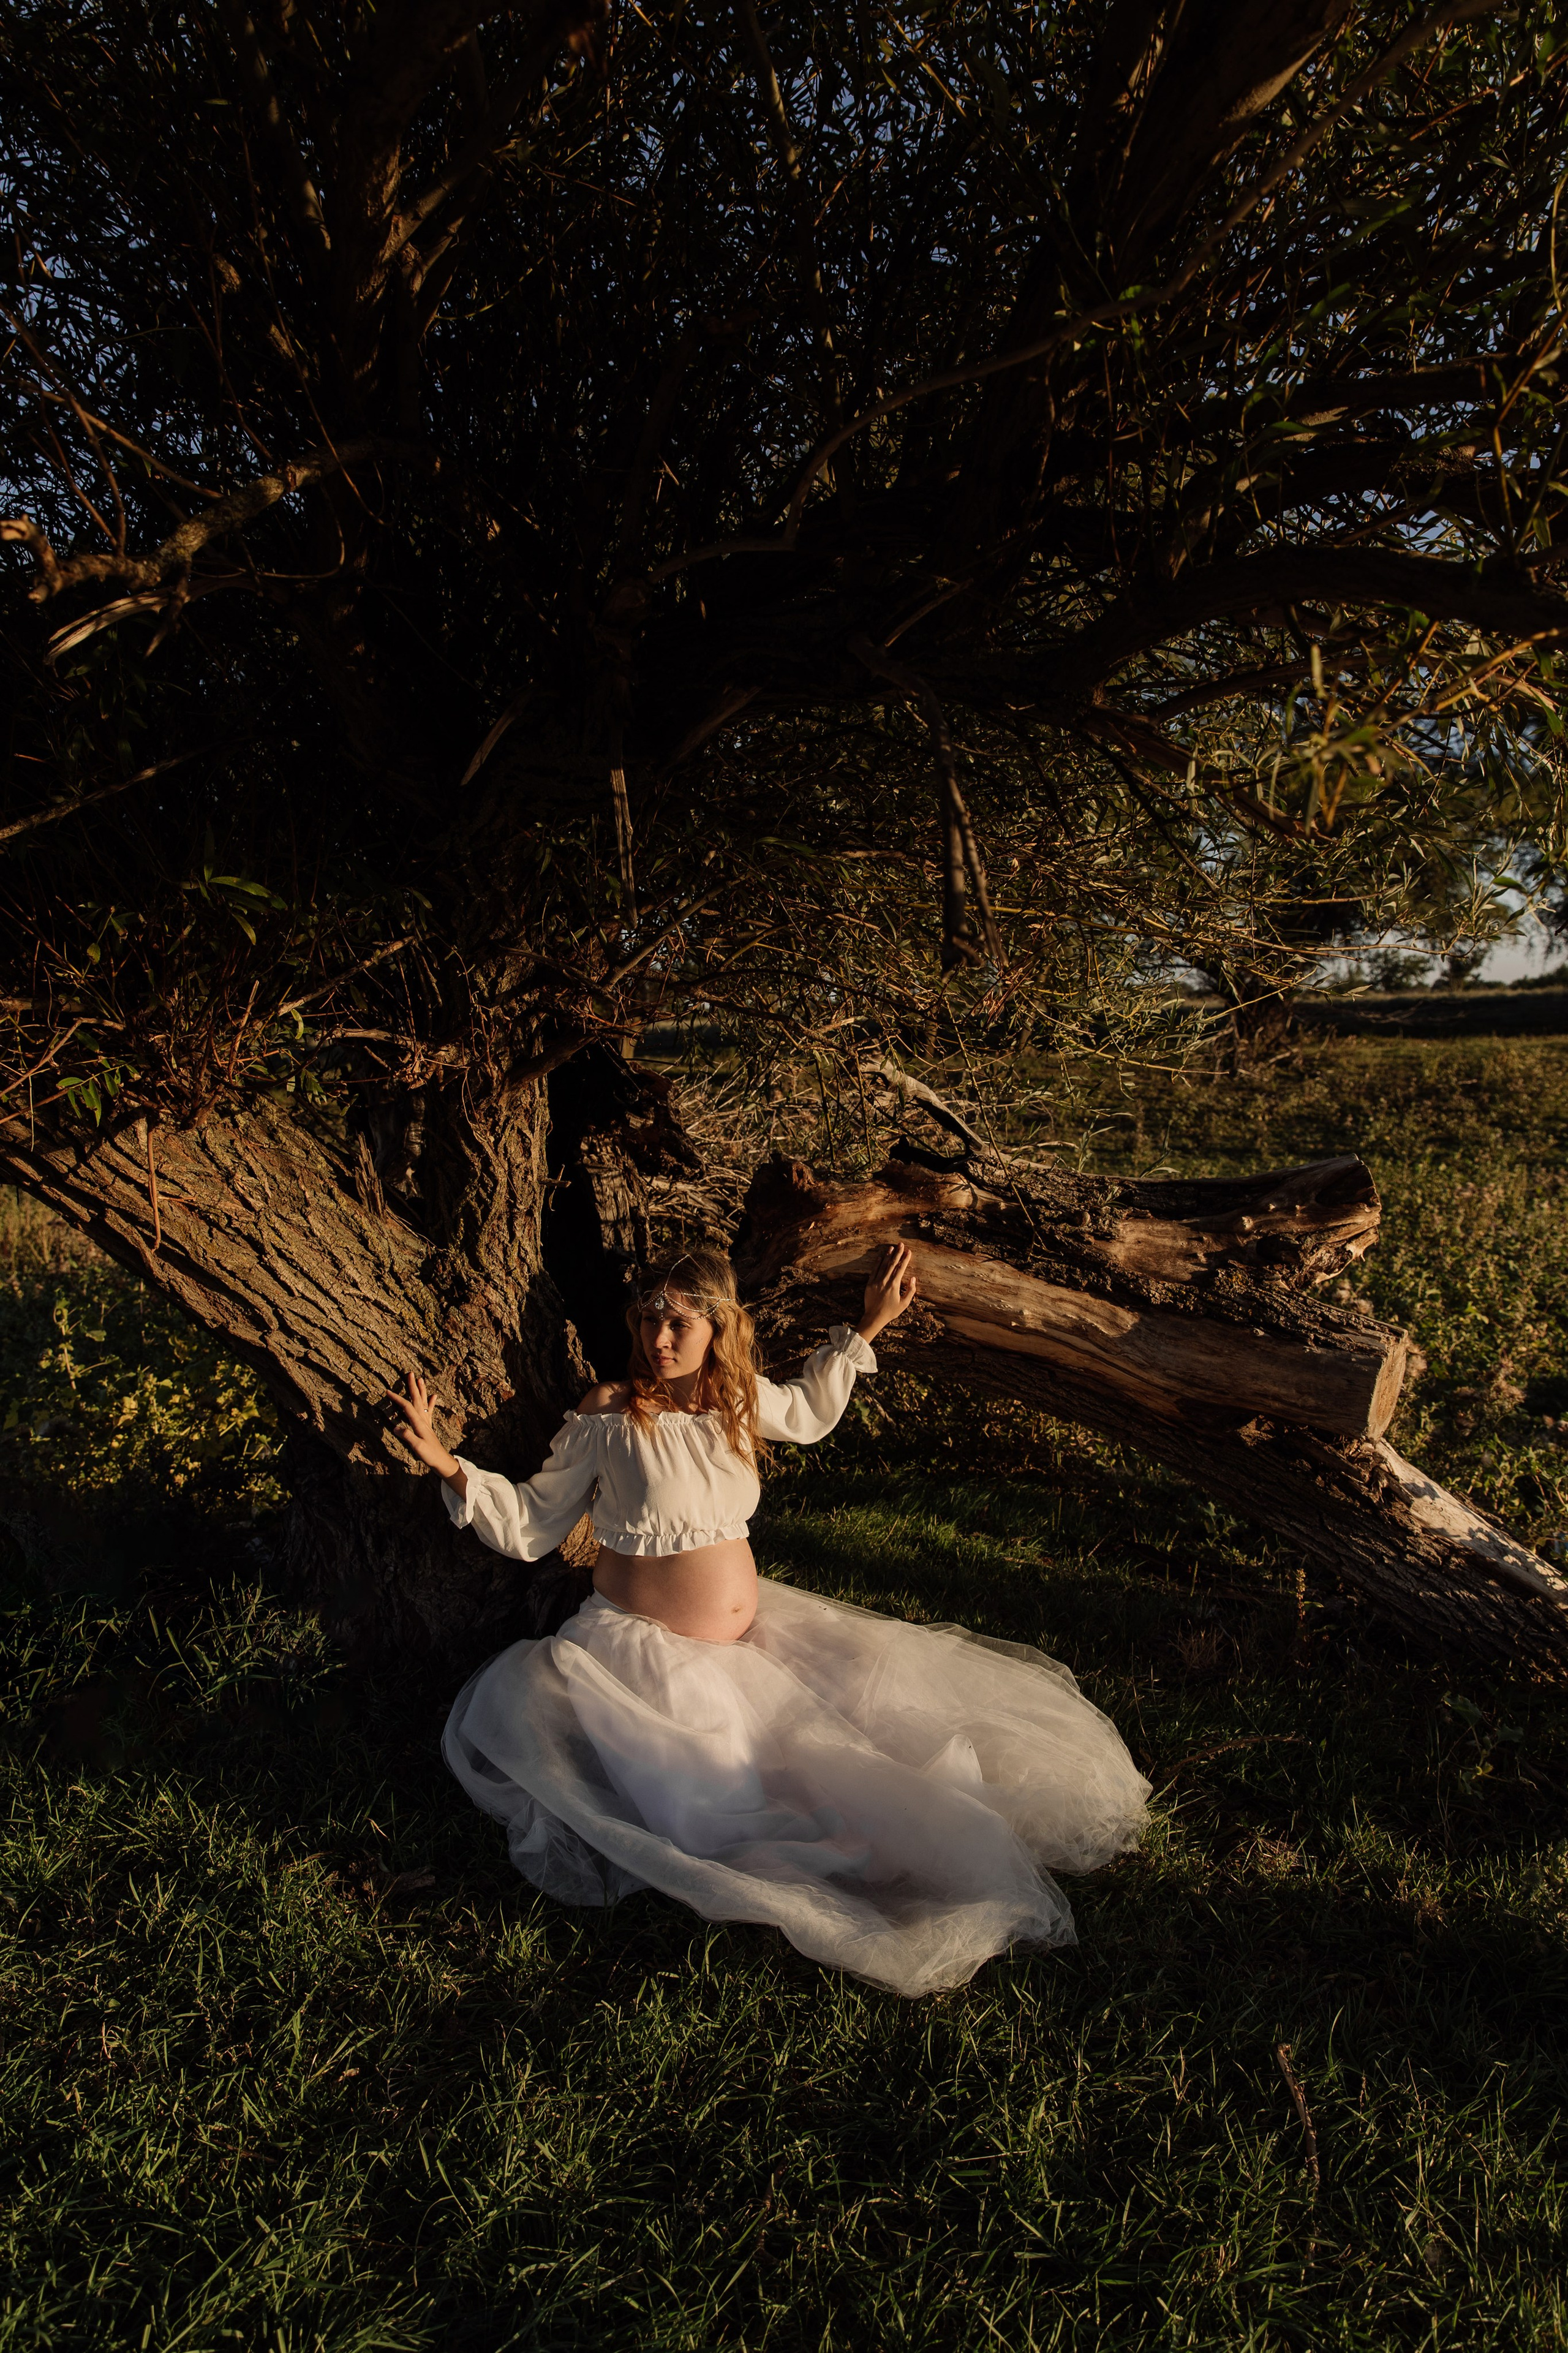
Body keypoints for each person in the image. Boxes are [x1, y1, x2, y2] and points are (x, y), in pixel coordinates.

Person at [388, 1244, 1149, 1996]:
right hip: (647, 1653)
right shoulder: (611, 1413)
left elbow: (811, 1410)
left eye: (679, 1323)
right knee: (730, 1811)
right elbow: (534, 1519)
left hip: (751, 1639)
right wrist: (447, 1461)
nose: (658, 1338)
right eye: (649, 1319)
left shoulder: (737, 1399)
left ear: (718, 1326)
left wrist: (869, 1326)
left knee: (865, 1734)